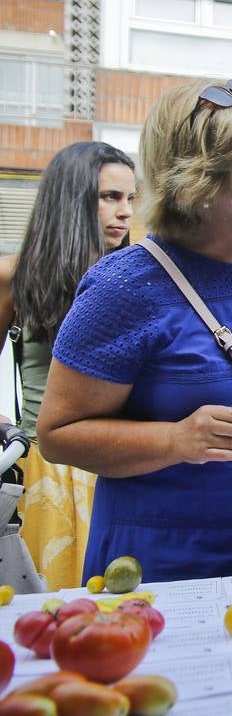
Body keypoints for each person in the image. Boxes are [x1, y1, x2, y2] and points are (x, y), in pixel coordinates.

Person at [38, 79, 232, 582]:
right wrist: (176, 440)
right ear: (197, 185)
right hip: (167, 565)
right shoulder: (125, 285)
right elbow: (58, 436)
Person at [0, 142, 135, 589]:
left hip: (127, 458)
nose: (125, 212)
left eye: (131, 199)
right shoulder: (15, 275)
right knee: (54, 609)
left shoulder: (143, 277)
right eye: (110, 197)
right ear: (72, 199)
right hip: (49, 470)